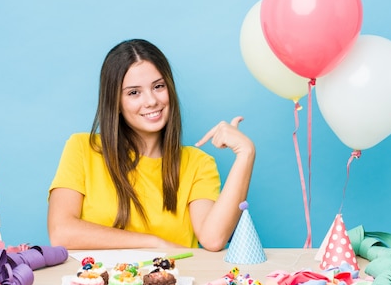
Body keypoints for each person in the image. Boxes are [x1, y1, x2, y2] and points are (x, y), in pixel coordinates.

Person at [47, 39, 256, 252]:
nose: (151, 101)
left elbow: (213, 239)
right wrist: (153, 243)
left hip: (174, 282)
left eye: (158, 86)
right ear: (115, 103)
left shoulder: (198, 163)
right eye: (133, 92)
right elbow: (61, 232)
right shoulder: (83, 148)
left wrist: (245, 153)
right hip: (100, 284)